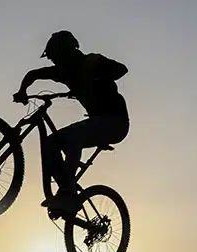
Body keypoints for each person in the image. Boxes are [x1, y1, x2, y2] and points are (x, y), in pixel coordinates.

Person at [12, 30, 130, 213]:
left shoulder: (91, 62)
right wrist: (22, 91)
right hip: (96, 123)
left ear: (66, 51)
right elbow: (34, 74)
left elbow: (122, 69)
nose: (55, 63)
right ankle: (66, 193)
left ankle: (67, 191)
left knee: (74, 135)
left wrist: (96, 77)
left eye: (56, 57)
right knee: (51, 142)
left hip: (115, 122)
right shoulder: (63, 72)